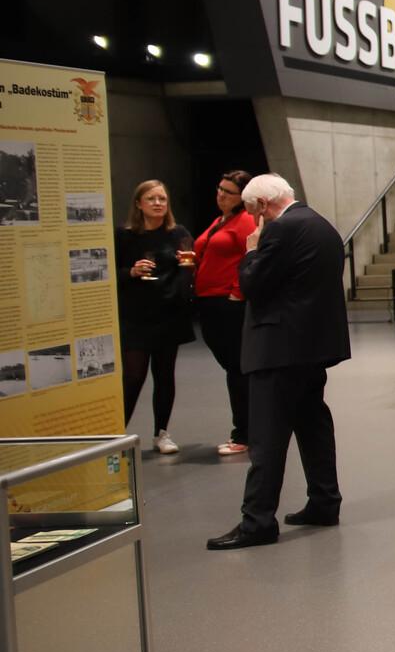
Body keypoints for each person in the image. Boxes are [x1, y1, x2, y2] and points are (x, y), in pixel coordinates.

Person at [206, 174, 349, 550]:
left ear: (264, 206)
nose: (256, 222)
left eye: (254, 213)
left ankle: (257, 522)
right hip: (311, 347)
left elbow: (254, 285)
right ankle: (324, 502)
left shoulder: (281, 230)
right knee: (312, 424)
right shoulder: (322, 226)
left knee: (267, 437)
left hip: (278, 348)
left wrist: (251, 251)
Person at [115, 180, 196, 455]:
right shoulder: (123, 236)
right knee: (133, 376)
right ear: (139, 203)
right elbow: (111, 274)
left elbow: (187, 270)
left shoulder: (179, 233)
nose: (158, 203)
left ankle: (161, 433)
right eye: (151, 198)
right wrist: (131, 272)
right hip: (135, 315)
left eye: (162, 198)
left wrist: (180, 296)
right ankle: (117, 435)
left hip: (167, 313)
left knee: (164, 375)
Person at [192, 170, 257, 457]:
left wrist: (236, 292)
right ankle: (247, 430)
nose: (221, 195)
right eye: (219, 189)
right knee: (234, 368)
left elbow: (252, 256)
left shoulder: (244, 222)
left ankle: (243, 433)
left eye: (228, 192)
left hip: (227, 304)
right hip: (209, 302)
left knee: (238, 370)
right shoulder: (221, 221)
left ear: (241, 197)